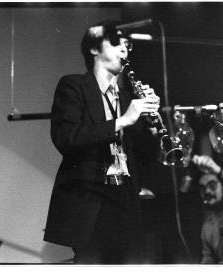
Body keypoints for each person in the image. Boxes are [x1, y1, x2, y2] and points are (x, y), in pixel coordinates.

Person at [43, 20, 160, 264]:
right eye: (117, 42)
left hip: (126, 198)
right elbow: (66, 138)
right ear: (94, 49)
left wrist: (151, 123)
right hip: (91, 199)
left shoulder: (128, 97)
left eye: (127, 45)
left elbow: (146, 156)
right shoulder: (73, 86)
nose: (124, 49)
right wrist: (122, 120)